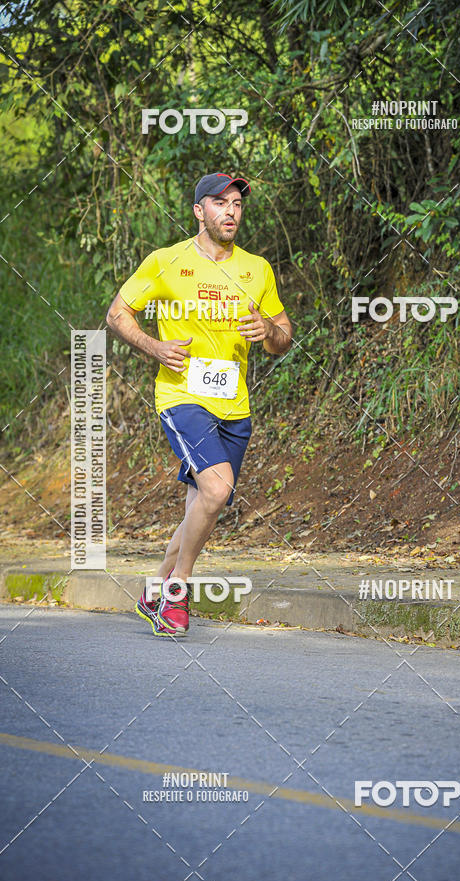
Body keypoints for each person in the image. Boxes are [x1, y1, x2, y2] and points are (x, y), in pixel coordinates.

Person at [106, 172, 292, 636]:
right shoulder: (166, 262)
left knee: (201, 503)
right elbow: (117, 314)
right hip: (182, 396)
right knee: (216, 490)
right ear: (198, 211)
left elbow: (283, 337)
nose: (231, 211)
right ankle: (177, 592)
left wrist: (268, 332)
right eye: (220, 202)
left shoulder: (257, 269)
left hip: (234, 403)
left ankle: (154, 589)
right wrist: (154, 347)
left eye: (237, 204)